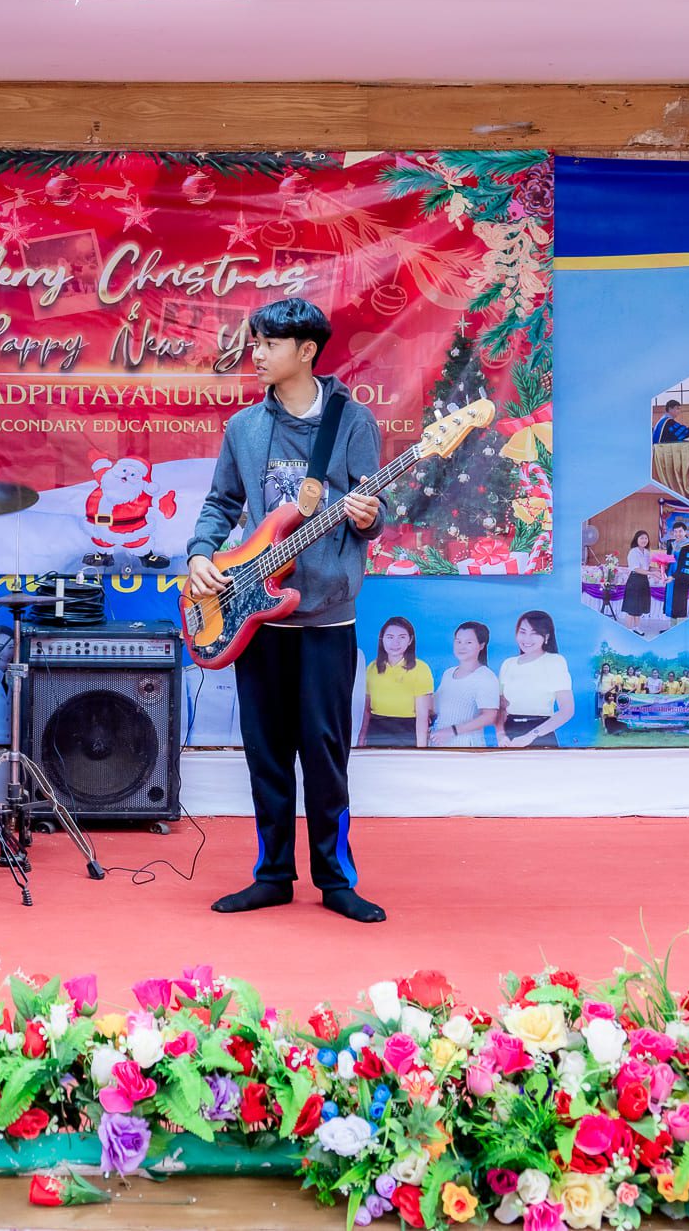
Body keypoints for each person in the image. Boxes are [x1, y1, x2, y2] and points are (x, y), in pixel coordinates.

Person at [185, 297, 386, 923]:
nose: (258, 354)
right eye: (256, 343)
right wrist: (200, 552)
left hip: (327, 615)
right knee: (266, 752)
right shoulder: (244, 428)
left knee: (325, 754)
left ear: (306, 351)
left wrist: (369, 517)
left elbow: (375, 509)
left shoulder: (353, 422)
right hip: (254, 612)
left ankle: (336, 878)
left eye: (269, 344)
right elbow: (221, 503)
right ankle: (272, 874)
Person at [497, 610, 573, 748]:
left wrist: (531, 736)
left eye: (534, 633)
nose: (527, 639)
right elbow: (501, 707)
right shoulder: (508, 664)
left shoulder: (555, 662)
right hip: (509, 737)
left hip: (541, 735)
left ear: (546, 636)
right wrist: (501, 735)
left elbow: (567, 710)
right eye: (523, 632)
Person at [358, 616, 431, 748]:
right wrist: (361, 741)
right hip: (376, 732)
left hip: (407, 732)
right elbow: (366, 711)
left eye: (402, 637)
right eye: (390, 637)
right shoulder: (372, 667)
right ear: (382, 639)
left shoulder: (421, 668)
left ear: (410, 640)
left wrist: (421, 750)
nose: (395, 643)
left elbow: (422, 717)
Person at [429, 621, 501, 747]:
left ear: (481, 645)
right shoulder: (448, 673)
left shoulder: (485, 677)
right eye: (458, 641)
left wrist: (452, 731)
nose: (461, 647)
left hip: (466, 746)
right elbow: (438, 708)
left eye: (469, 642)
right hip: (438, 743)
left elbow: (489, 716)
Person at [622, 530, 653, 630]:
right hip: (634, 581)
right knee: (632, 609)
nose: (644, 540)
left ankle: (636, 628)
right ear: (636, 539)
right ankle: (628, 630)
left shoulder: (647, 552)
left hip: (644, 581)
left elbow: (648, 567)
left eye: (646, 538)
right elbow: (636, 569)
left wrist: (660, 569)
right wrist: (652, 573)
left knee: (639, 607)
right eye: (641, 538)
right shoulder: (633, 552)